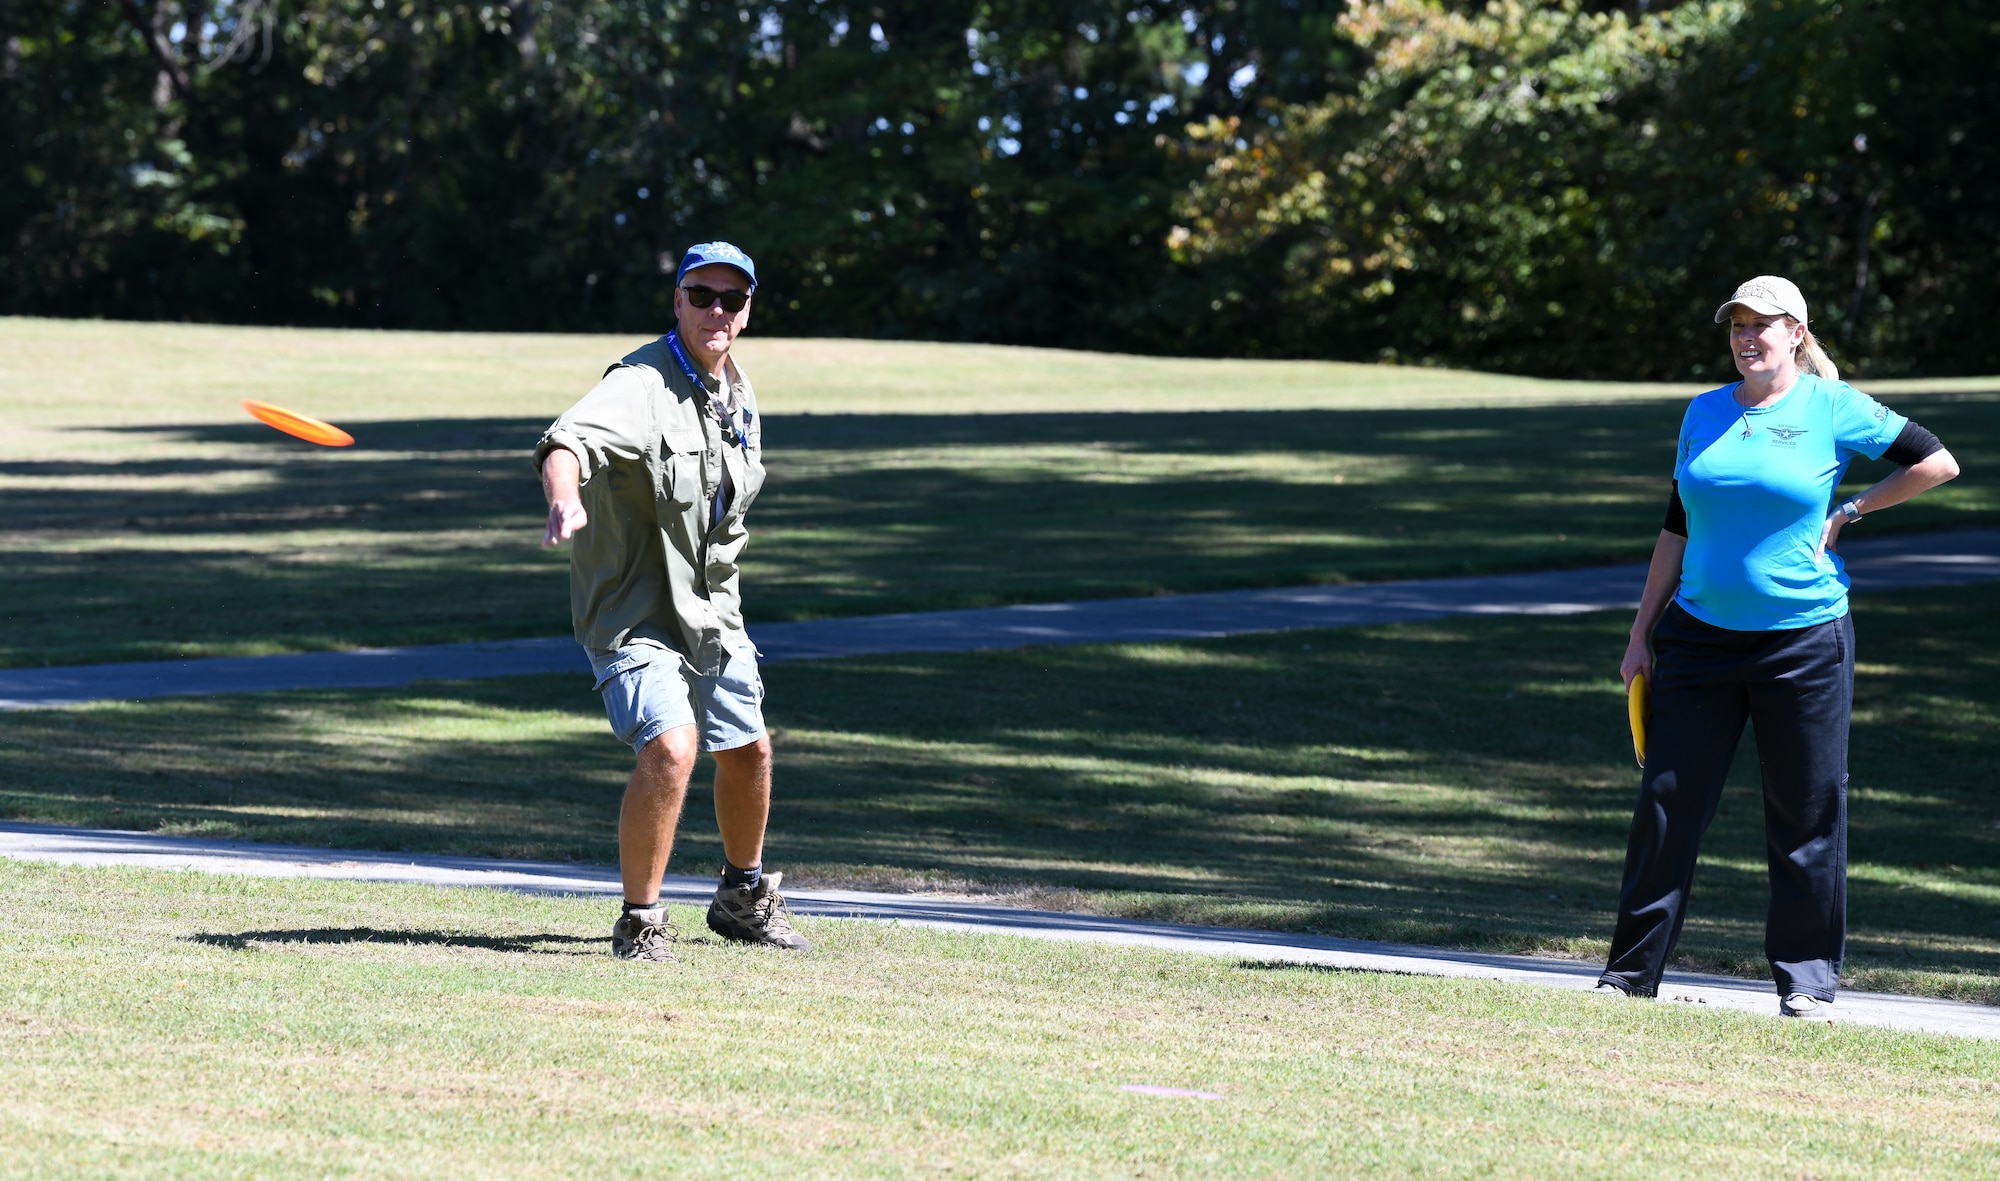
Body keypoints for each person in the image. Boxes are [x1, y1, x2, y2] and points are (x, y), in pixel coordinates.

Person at [1597, 275, 1959, 1017]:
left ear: (1797, 331)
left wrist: (1851, 509)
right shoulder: (1702, 413)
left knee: (1806, 811)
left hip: (1804, 641)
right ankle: (1630, 976)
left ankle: (1807, 983)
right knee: (1666, 807)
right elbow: (1677, 526)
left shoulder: (1831, 406)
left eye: (1763, 324)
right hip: (1697, 640)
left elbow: (1936, 460)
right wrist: (1641, 633)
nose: (1747, 337)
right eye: (1737, 325)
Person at [534, 241, 810, 962]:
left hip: (713, 611)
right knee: (672, 745)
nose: (716, 310)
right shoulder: (640, 383)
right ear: (677, 301)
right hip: (633, 612)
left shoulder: (736, 392)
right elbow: (566, 442)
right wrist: (564, 501)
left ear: (748, 310)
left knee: (748, 751)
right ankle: (640, 920)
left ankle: (742, 898)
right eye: (701, 295)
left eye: (732, 299)